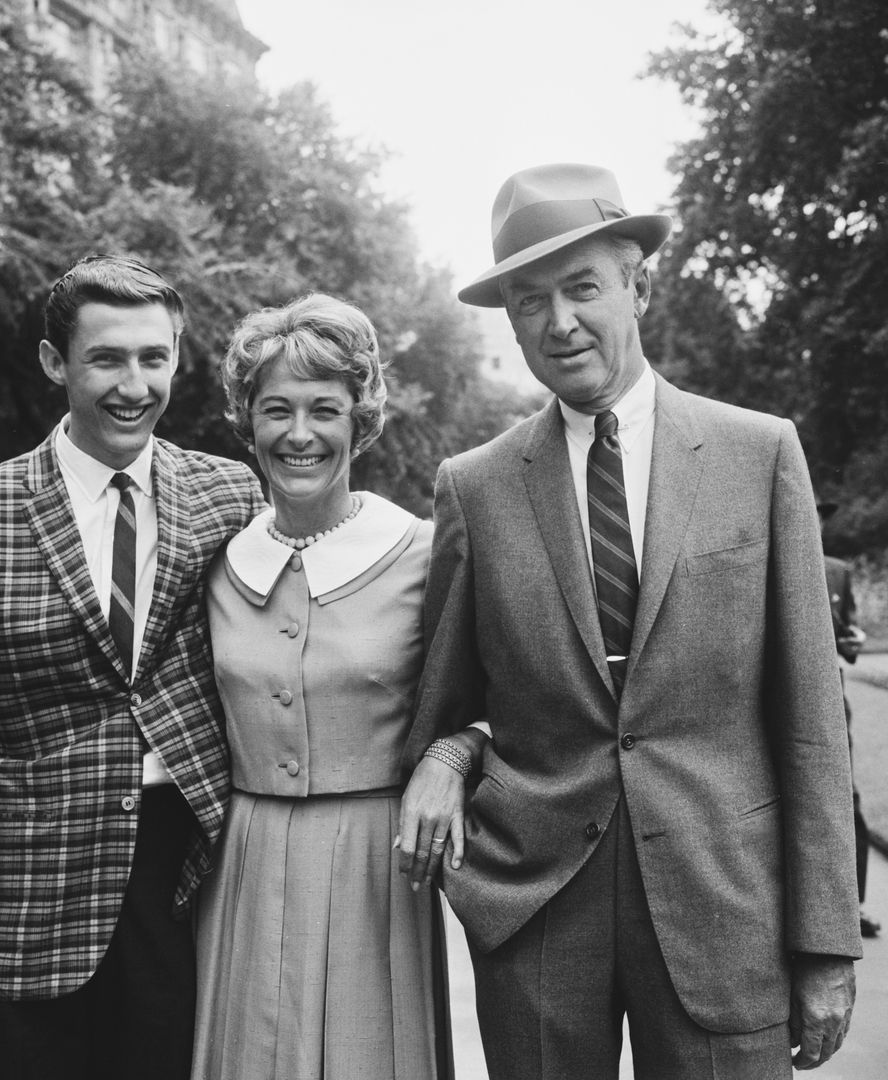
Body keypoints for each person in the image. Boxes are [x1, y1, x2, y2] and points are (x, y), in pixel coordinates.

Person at [399, 163, 861, 1079]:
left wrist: (826, 944)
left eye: (583, 288)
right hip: (535, 912)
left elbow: (812, 721)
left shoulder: (760, 454)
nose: (560, 322)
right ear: (511, 322)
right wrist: (448, 755)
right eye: (531, 301)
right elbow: (444, 703)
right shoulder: (474, 488)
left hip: (724, 905)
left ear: (638, 287)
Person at [0, 254, 264, 1080]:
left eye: (153, 357)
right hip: (25, 892)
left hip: (186, 878)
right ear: (55, 362)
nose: (134, 385)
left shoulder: (231, 495)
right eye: (106, 359)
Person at [190, 294, 451, 1080]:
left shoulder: (425, 553)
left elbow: (494, 699)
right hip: (244, 865)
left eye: (324, 410)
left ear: (359, 421)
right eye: (277, 410)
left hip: (378, 870)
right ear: (249, 421)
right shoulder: (217, 562)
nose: (298, 434)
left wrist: (454, 756)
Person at [819, 500, 879, 939]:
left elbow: (850, 638)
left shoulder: (837, 571)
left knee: (845, 795)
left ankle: (851, 907)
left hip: (830, 696)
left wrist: (852, 639)